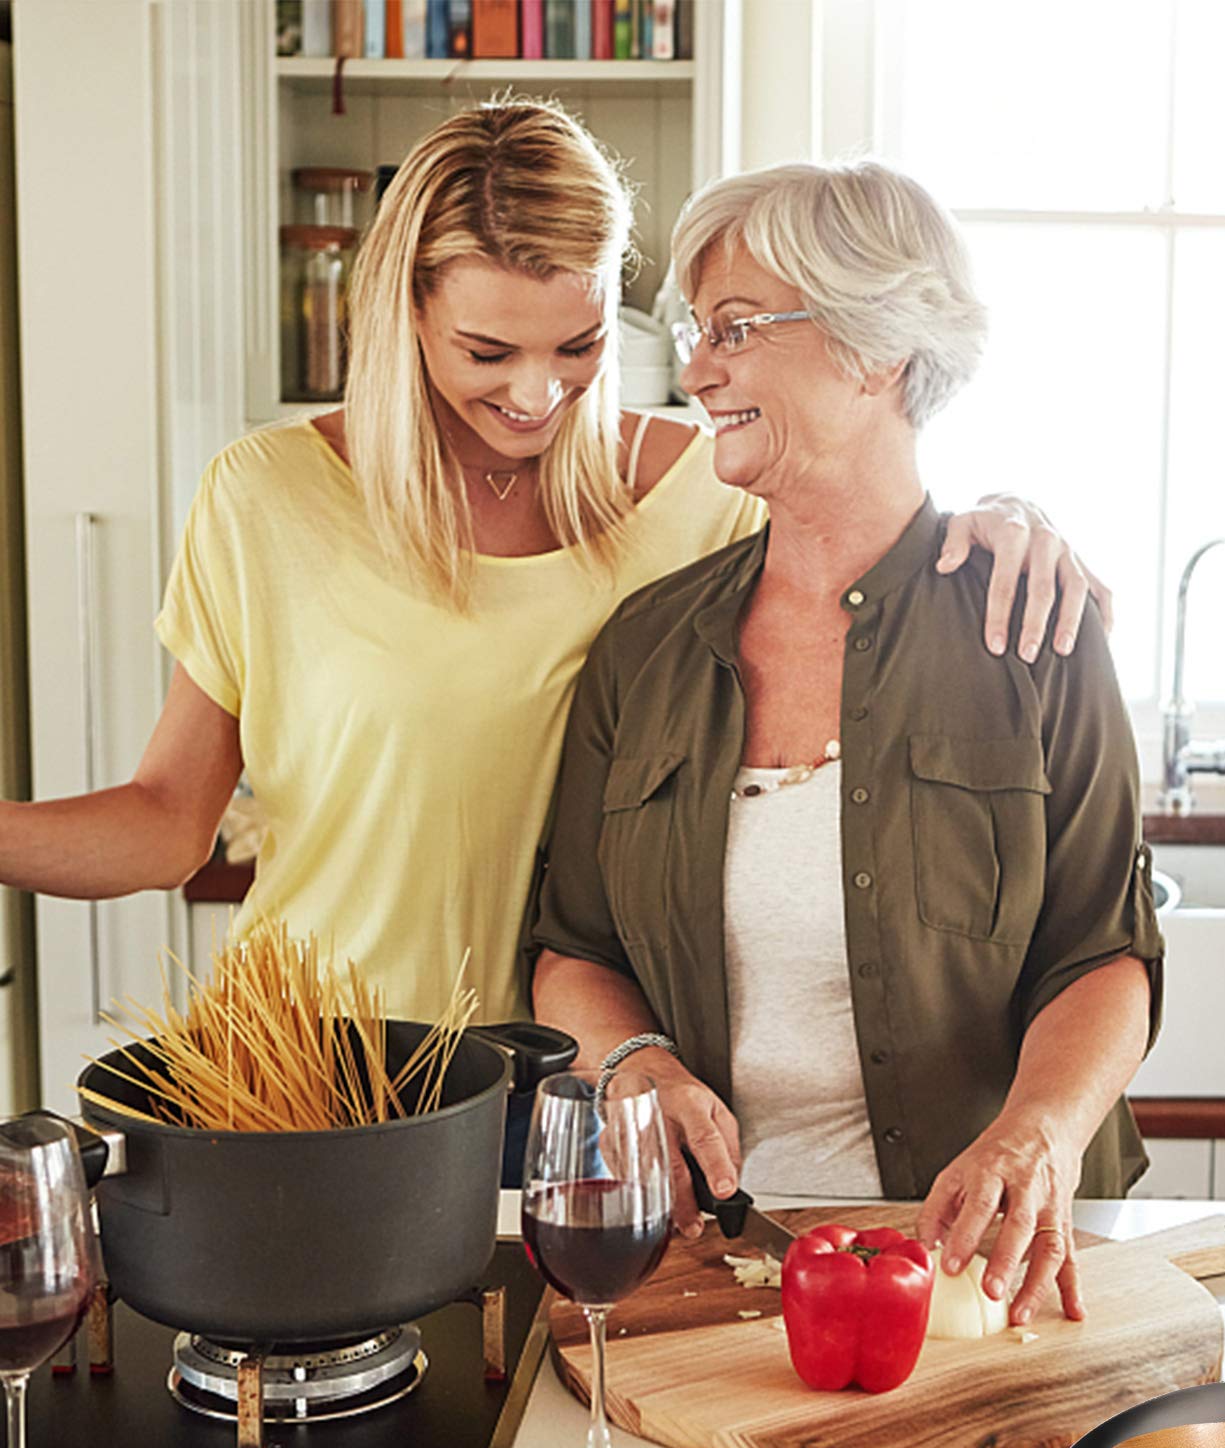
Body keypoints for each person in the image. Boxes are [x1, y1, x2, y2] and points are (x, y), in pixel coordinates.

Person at [0, 99, 1101, 1168]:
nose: (536, 394)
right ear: (406, 315)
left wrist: (1011, 516)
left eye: (576, 347)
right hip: (312, 1076)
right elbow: (164, 823)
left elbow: (864, 496)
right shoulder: (269, 496)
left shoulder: (694, 495)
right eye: (487, 352)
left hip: (579, 1090)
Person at [528, 159, 1163, 1327]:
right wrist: (640, 1066)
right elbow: (573, 948)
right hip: (716, 1269)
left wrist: (1040, 1134)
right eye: (691, 329)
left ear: (877, 350)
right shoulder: (647, 649)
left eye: (735, 328)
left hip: (996, 1271)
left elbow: (1105, 952)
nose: (695, 366)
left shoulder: (1033, 628)